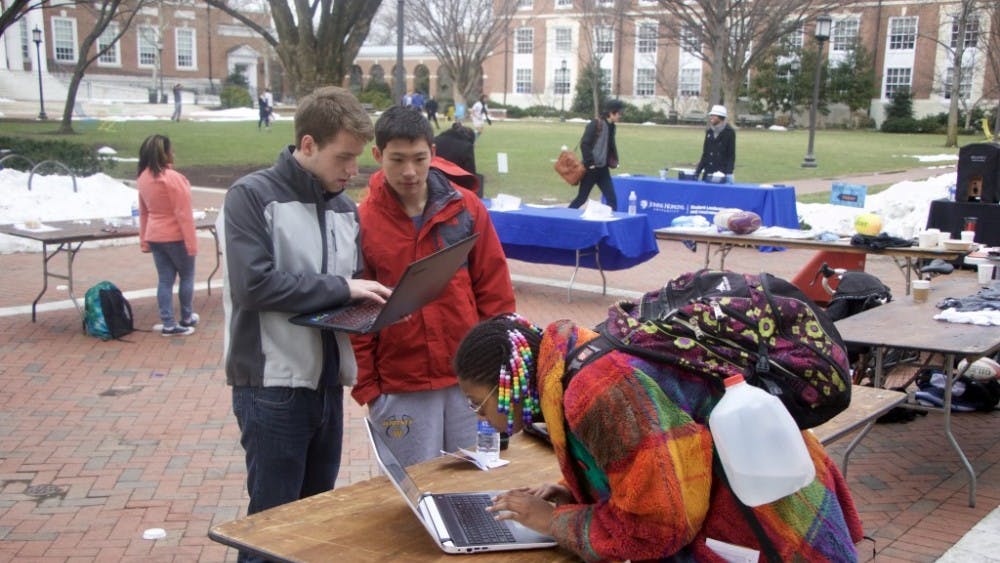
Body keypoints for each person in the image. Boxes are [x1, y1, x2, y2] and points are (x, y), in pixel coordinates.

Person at [452, 313, 866, 562]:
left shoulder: (597, 391)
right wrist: (570, 489)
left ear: (508, 382)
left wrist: (554, 522)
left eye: (477, 402)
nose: (478, 416)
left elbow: (661, 525)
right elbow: (659, 456)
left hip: (774, 534)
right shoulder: (579, 355)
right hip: (772, 499)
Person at [218, 86, 392, 563]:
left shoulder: (343, 209)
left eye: (357, 158)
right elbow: (254, 286)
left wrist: (375, 306)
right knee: (272, 527)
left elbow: (346, 287)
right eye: (343, 157)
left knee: (317, 522)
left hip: (326, 386)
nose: (352, 170)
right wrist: (344, 289)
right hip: (270, 385)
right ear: (308, 145)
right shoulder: (250, 198)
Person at [351, 106, 515, 467]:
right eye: (397, 160)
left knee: (475, 483)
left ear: (433, 154)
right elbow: (357, 312)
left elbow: (495, 292)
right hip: (401, 384)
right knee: (409, 494)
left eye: (419, 159)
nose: (409, 171)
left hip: (468, 381)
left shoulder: (466, 209)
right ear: (377, 155)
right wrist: (370, 388)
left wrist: (495, 371)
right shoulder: (362, 221)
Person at [137, 134, 199, 336]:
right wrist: (191, 243)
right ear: (163, 154)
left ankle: (168, 322)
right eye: (170, 150)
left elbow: (143, 211)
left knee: (165, 280)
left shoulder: (144, 178)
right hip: (175, 236)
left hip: (155, 234)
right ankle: (186, 317)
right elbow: (184, 214)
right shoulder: (173, 179)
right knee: (187, 277)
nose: (173, 153)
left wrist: (144, 240)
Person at [568, 98, 623, 210]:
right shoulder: (595, 124)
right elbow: (584, 144)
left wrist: (613, 160)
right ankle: (565, 217)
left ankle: (610, 225)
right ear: (611, 113)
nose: (620, 116)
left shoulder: (612, 126)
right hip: (590, 170)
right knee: (581, 198)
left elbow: (610, 145)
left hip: (603, 170)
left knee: (612, 199)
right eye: (619, 113)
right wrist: (590, 164)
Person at [695, 104, 736, 183]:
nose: (711, 118)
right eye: (711, 115)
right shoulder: (709, 131)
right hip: (708, 172)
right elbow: (705, 154)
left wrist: (729, 173)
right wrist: (698, 171)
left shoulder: (729, 132)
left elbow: (731, 155)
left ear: (720, 117)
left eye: (714, 116)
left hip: (721, 173)